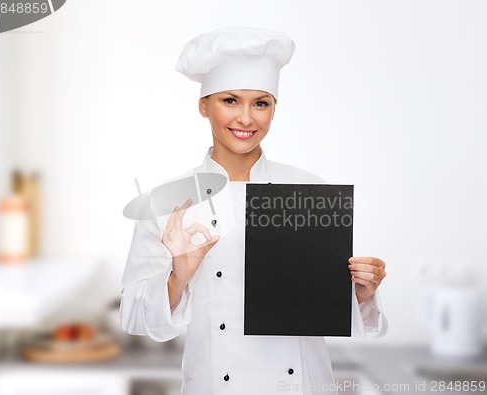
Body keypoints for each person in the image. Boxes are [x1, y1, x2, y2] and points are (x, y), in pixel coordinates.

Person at [120, 26, 388, 395]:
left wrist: (361, 290)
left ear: (274, 110)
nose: (246, 119)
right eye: (230, 100)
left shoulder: (311, 190)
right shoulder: (166, 202)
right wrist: (177, 278)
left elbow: (323, 306)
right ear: (203, 105)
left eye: (261, 103)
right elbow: (136, 317)